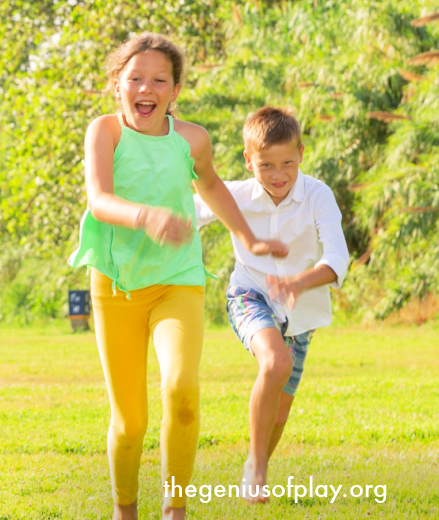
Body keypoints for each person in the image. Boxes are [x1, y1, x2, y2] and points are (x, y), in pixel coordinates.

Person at [67, 33, 288, 520]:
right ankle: (125, 510)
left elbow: (209, 185)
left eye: (159, 80)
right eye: (135, 78)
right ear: (116, 85)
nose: (146, 88)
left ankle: (174, 509)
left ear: (175, 90)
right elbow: (98, 199)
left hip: (178, 279)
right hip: (115, 284)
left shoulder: (192, 139)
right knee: (129, 424)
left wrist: (249, 238)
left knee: (182, 390)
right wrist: (146, 216)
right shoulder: (104, 132)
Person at [195, 106, 349, 502]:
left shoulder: (318, 195)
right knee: (275, 362)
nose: (278, 175)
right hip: (250, 294)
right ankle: (259, 471)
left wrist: (299, 281)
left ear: (301, 154)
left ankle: (254, 462)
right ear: (249, 161)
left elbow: (336, 259)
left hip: (302, 310)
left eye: (287, 163)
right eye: (265, 165)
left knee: (280, 412)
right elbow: (185, 212)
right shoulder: (235, 195)